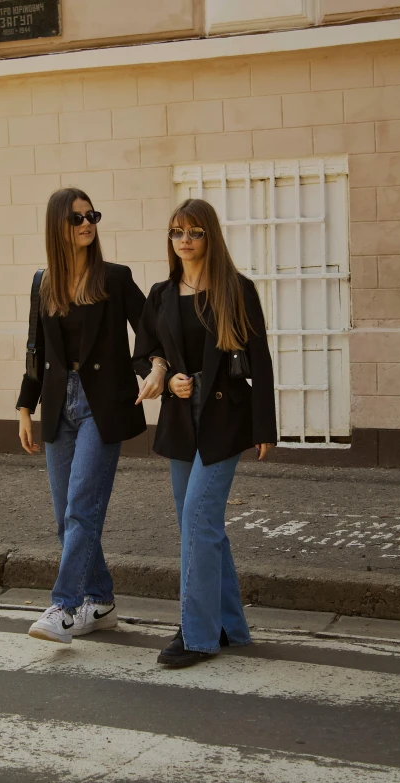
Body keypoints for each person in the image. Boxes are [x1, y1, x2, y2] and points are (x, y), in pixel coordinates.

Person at [134, 198, 277, 667]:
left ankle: (196, 635)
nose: (185, 240)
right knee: (200, 527)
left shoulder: (237, 289)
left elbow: (261, 363)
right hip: (179, 418)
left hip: (224, 419)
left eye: (194, 232)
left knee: (197, 520)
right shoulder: (160, 293)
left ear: (209, 237)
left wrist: (265, 427)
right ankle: (231, 626)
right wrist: (165, 373)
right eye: (177, 232)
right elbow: (145, 353)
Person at [17, 187, 163, 644]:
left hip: (104, 405)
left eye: (92, 216)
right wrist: (26, 406)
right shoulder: (44, 283)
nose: (86, 224)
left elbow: (151, 330)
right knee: (66, 516)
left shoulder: (114, 279)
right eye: (77, 218)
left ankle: (63, 607)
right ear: (57, 226)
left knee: (81, 506)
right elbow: (35, 351)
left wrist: (157, 367)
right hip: (60, 406)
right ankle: (100, 602)